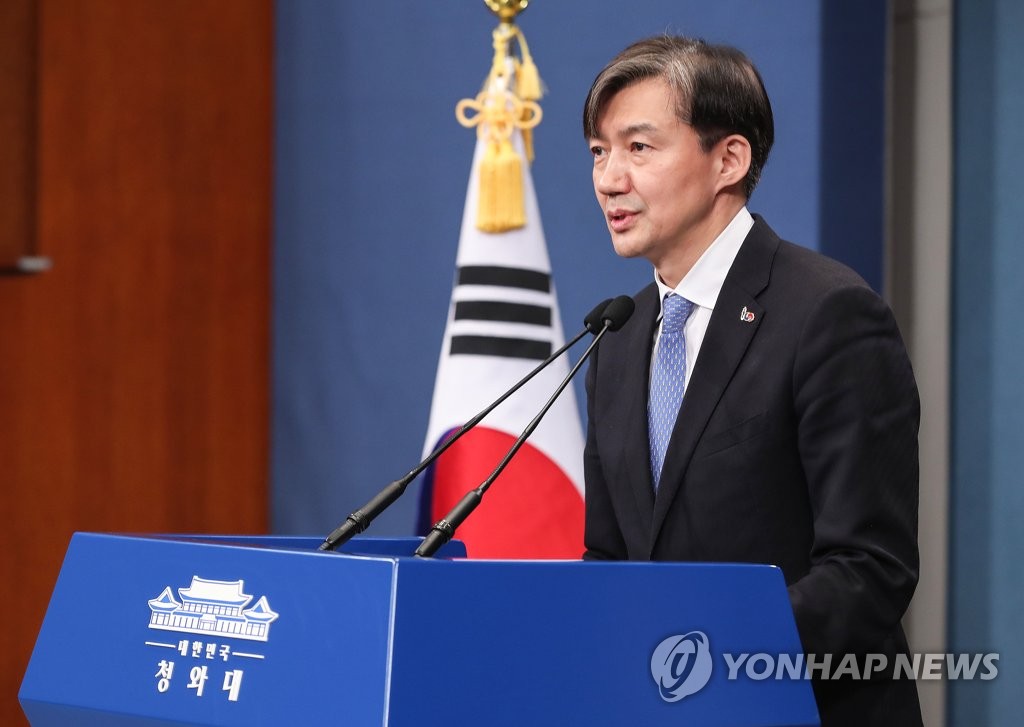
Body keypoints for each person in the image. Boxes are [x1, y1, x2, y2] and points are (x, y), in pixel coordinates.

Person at [581, 35, 921, 725]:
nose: (609, 178)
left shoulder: (828, 313)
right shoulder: (620, 337)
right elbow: (610, 556)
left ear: (728, 160)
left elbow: (869, 569)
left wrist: (701, 659)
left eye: (638, 147)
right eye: (598, 152)